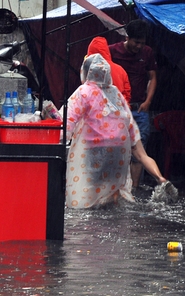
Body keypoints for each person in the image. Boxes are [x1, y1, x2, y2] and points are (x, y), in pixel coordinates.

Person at [64, 54, 167, 209]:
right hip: (120, 147)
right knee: (140, 156)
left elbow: (67, 122)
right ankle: (161, 179)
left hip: (94, 149)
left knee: (90, 197)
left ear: (85, 73)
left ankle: (93, 216)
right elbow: (127, 122)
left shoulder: (83, 91)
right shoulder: (116, 94)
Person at [109, 20, 158, 189]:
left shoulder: (147, 53)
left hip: (139, 108)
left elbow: (152, 77)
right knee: (115, 147)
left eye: (142, 43)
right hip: (116, 109)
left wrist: (148, 101)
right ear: (128, 38)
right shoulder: (112, 51)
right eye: (136, 42)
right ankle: (116, 187)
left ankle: (135, 189)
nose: (139, 46)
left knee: (139, 149)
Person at [86, 36, 131, 104]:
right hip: (118, 111)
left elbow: (85, 93)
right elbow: (127, 93)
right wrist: (119, 107)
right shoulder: (120, 70)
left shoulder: (88, 69)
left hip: (95, 111)